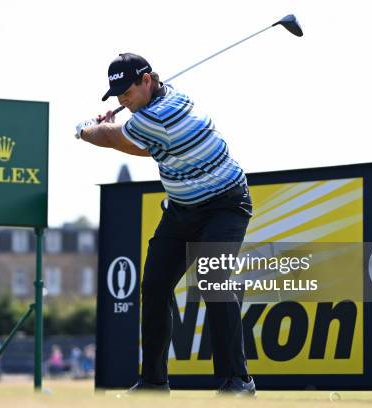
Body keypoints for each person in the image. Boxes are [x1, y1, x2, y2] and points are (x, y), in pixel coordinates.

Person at [75, 53, 255, 396]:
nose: (123, 100)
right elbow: (146, 147)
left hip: (225, 203)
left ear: (147, 81)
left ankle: (239, 381)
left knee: (213, 278)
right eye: (117, 95)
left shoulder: (162, 114)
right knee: (155, 285)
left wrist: (84, 130)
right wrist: (115, 125)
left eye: (127, 91)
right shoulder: (162, 103)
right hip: (182, 209)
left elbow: (114, 139)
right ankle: (154, 382)